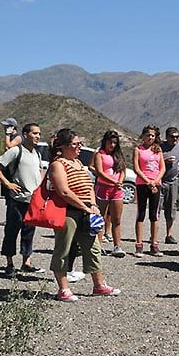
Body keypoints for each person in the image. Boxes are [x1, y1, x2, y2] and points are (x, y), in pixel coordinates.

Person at [48, 128, 120, 302]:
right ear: (64, 146)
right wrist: (84, 207)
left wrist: (93, 204)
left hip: (86, 210)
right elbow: (64, 191)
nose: (79, 147)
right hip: (67, 211)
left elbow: (89, 186)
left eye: (80, 144)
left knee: (93, 248)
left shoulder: (79, 163)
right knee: (64, 248)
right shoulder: (58, 164)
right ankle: (63, 289)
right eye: (75, 144)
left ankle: (99, 285)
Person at [0, 122, 44, 274]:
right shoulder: (16, 151)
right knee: (12, 231)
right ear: (25, 134)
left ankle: (26, 262)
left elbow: (39, 170)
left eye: (39, 133)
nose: (38, 136)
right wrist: (8, 184)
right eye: (35, 133)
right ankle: (9, 264)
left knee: (29, 232)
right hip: (17, 200)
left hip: (32, 200)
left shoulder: (37, 153)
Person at [91, 130, 128, 256]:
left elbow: (123, 170)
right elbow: (100, 172)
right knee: (100, 218)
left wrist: (120, 181)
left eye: (114, 143)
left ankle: (117, 246)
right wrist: (113, 181)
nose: (112, 145)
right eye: (110, 142)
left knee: (116, 219)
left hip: (116, 190)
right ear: (105, 141)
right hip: (103, 188)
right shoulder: (99, 154)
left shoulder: (118, 155)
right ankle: (98, 245)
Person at [132, 124, 165, 257]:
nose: (150, 137)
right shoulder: (138, 149)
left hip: (156, 184)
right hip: (142, 184)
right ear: (143, 136)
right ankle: (139, 245)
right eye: (148, 135)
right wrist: (147, 181)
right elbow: (136, 167)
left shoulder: (158, 150)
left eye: (152, 135)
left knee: (154, 215)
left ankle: (154, 244)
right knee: (141, 213)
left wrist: (155, 181)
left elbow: (162, 168)